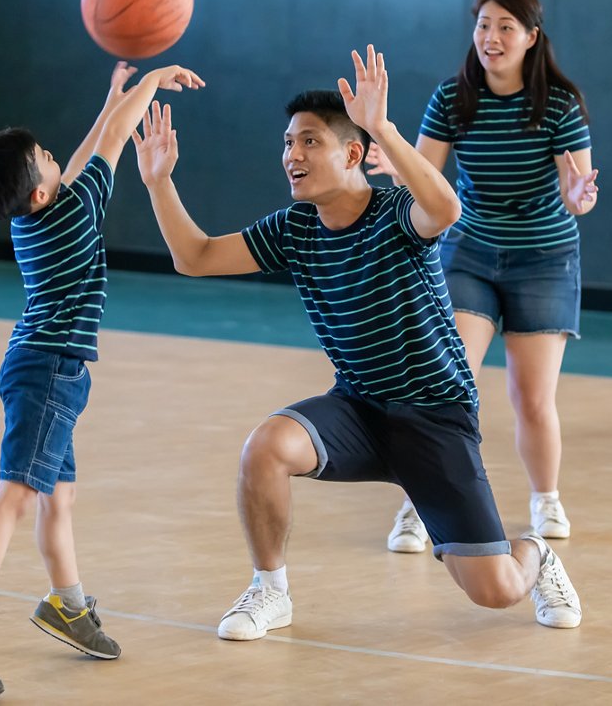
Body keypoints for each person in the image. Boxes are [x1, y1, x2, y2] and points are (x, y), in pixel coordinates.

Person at [132, 45, 582, 641]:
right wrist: (159, 183)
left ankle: (536, 556)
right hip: (359, 408)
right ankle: (270, 593)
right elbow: (195, 257)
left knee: (496, 591)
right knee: (265, 446)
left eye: (309, 141)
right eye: (288, 143)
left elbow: (445, 209)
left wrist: (383, 128)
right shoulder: (293, 228)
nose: (292, 154)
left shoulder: (395, 210)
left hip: (434, 418)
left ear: (351, 154)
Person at [0, 61, 204, 697]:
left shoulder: (38, 215)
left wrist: (111, 101)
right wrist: (148, 86)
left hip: (47, 368)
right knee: (17, 496)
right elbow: (105, 149)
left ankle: (66, 605)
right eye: (44, 156)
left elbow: (78, 163)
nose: (56, 156)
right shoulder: (71, 213)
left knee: (60, 497)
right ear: (42, 190)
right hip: (49, 372)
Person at [367, 0, 599, 553]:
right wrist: (388, 155)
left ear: (530, 38)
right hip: (468, 249)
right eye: (483, 25)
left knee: (531, 396)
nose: (491, 38)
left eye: (505, 28)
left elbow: (577, 194)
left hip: (544, 256)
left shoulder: (558, 105)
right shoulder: (453, 98)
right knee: (448, 383)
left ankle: (546, 499)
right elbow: (423, 177)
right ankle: (421, 506)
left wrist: (578, 193)